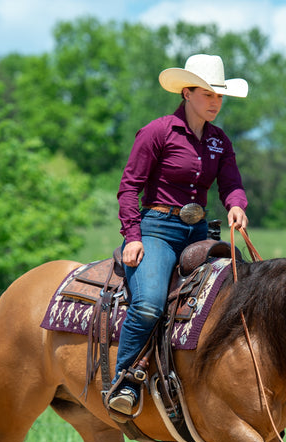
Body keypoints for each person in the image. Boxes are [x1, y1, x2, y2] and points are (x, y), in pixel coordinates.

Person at [108, 54, 250, 419]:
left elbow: (231, 183)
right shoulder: (157, 132)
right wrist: (133, 235)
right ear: (187, 93)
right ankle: (124, 382)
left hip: (199, 232)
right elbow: (129, 188)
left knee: (238, 295)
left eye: (220, 96)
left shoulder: (219, 141)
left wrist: (236, 204)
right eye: (207, 94)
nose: (216, 102)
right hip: (156, 230)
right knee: (149, 304)